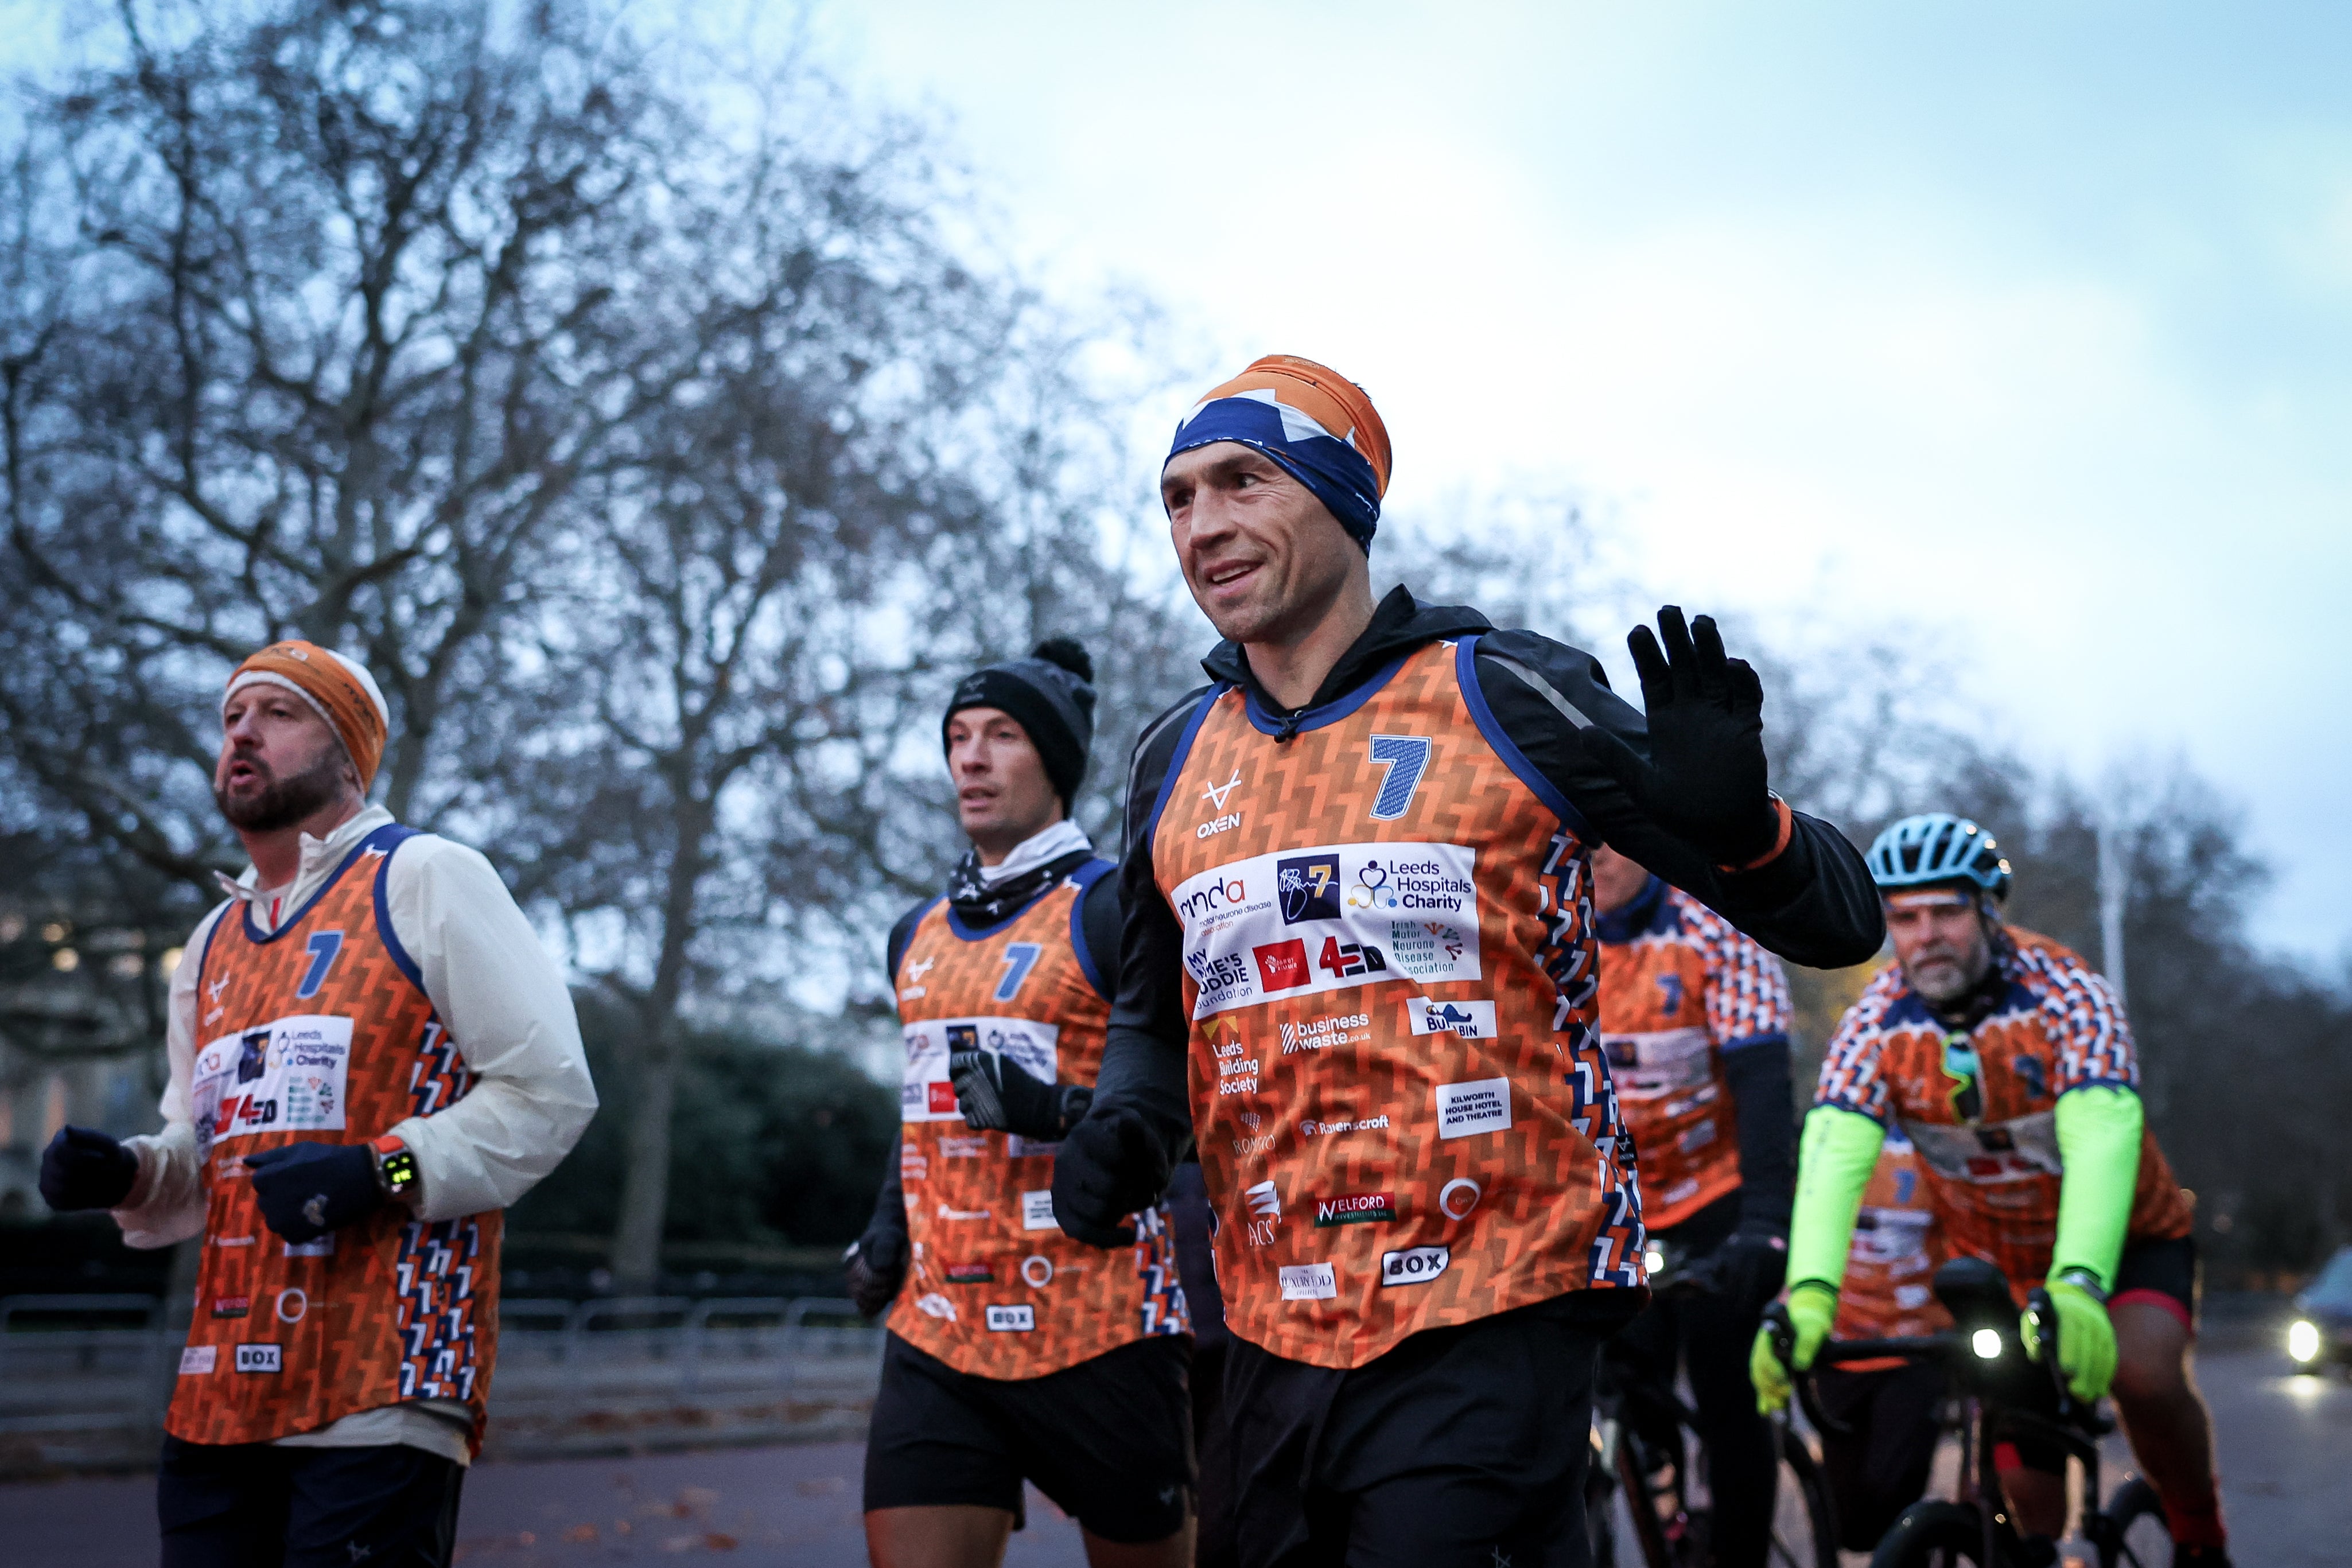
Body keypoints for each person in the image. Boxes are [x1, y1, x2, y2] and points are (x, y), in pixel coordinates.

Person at [1045, 354, 1886, 1568]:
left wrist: (1740, 825)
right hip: (1270, 1323)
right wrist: (1126, 1111)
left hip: (1494, 1304)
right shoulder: (1171, 756)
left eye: (1242, 481)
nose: (1204, 523)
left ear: (1340, 497)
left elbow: (1841, 923)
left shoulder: (1508, 694)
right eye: (1177, 498)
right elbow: (1150, 1004)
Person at [37, 640, 596, 1567]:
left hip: (383, 1385)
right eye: (231, 717)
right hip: (220, 1393)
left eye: (279, 712)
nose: (243, 731)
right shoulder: (213, 939)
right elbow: (205, 1148)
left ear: (348, 752)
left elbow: (549, 1091)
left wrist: (383, 1168)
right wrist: (132, 1170)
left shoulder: (424, 875)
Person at [1752, 812, 2230, 1567]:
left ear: (1986, 909)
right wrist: (1808, 1292)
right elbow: (1832, 1153)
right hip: (1997, 1263)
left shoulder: (2068, 994)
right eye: (1903, 918)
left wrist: (2077, 1281)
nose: (1925, 935)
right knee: (2022, 1501)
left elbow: (2102, 1136)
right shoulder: (1873, 1023)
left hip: (2129, 1243)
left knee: (2141, 1375)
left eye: (1946, 910)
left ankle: (2197, 1526)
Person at [845, 638, 1195, 1568]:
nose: (970, 756)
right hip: (939, 1331)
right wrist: (887, 1232)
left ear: (1056, 759)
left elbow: (1196, 1107)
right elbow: (922, 1110)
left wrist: (1059, 1108)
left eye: (1001, 734)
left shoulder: (1115, 907)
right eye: (957, 735)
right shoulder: (911, 933)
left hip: (1099, 1327)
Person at [1589, 844, 1795, 1568]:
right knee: (1623, 1379)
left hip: (1718, 1194)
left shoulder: (1712, 931)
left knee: (1726, 1389)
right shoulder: (1552, 928)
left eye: (1608, 837)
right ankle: (1663, 1508)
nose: (1593, 855)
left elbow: (1766, 1093)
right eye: (1577, 838)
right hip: (1617, 1198)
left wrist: (1769, 1224)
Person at [1809, 1127, 1951, 1554]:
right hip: (1840, 1348)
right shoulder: (1827, 1138)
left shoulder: (1939, 1146)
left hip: (1914, 1349)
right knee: (1849, 1527)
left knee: (1895, 1501)